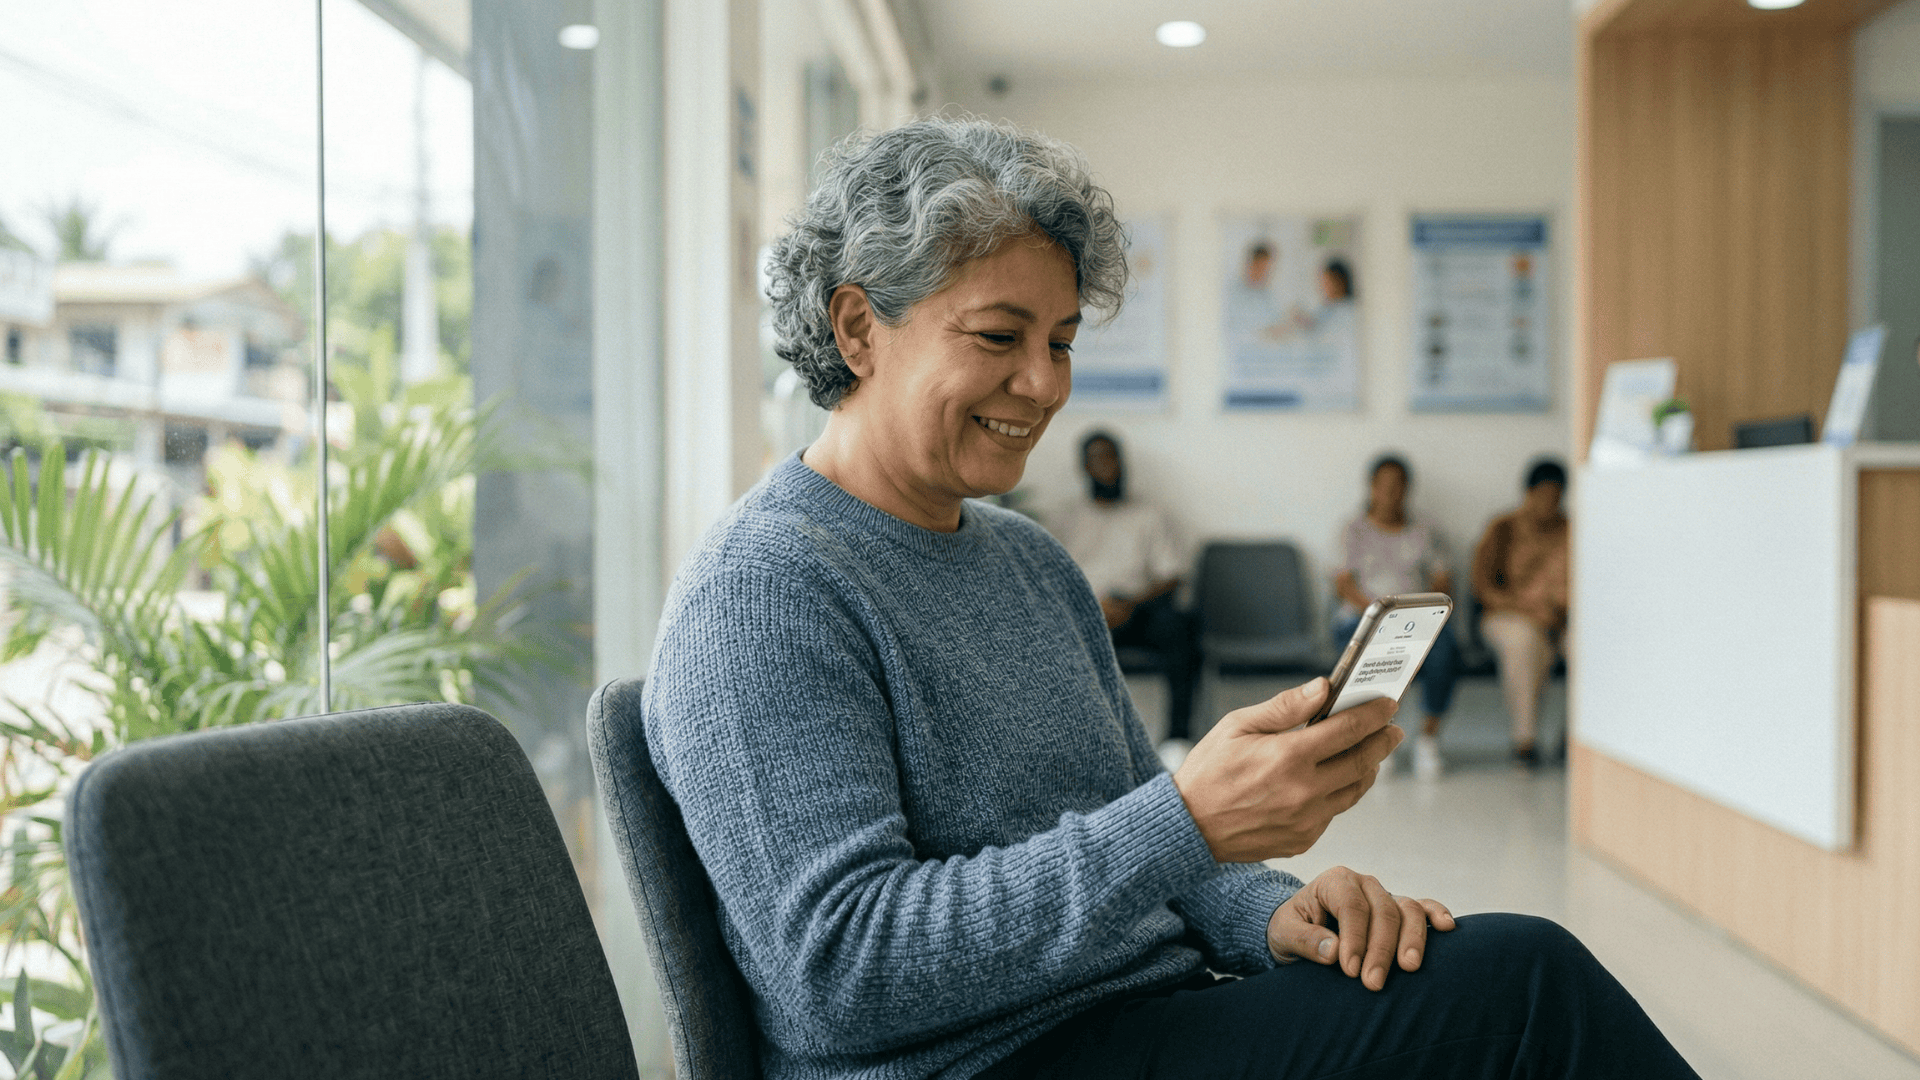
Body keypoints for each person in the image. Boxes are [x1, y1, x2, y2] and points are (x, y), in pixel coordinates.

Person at [637, 117, 1695, 1080]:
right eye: (1000, 339)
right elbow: (842, 972)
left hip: (1137, 1018)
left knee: (1476, 973)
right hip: (981, 1063)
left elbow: (1153, 857)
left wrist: (1282, 917)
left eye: (1060, 343)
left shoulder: (1031, 564)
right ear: (859, 328)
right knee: (1524, 988)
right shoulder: (764, 593)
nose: (1047, 386)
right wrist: (1187, 818)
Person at [1049, 430, 1198, 763]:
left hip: (1136, 609)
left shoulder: (1149, 515)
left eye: (1113, 456)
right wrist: (1093, 608)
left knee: (1182, 624)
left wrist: (1128, 604)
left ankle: (1177, 740)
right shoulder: (1065, 519)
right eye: (1098, 458)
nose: (1108, 466)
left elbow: (1171, 576)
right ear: (1083, 467)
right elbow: (1049, 578)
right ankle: (1071, 742)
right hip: (1085, 611)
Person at [1332, 454, 1460, 779]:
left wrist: (1422, 612)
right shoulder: (1353, 530)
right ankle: (1375, 738)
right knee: (1374, 651)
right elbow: (1343, 584)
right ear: (1372, 488)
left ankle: (1428, 740)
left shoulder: (1425, 530)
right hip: (1364, 617)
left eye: (1398, 486)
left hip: (1417, 617)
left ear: (1408, 489)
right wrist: (1378, 614)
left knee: (1445, 651)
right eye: (1384, 486)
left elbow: (1442, 579)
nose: (1391, 494)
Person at [1473, 458, 1572, 765]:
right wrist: (1529, 608)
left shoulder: (1573, 531)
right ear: (1528, 493)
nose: (1549, 503)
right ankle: (1525, 742)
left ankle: (1577, 739)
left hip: (1562, 619)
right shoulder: (1503, 528)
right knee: (1523, 642)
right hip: (1511, 616)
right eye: (1543, 495)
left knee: (1591, 647)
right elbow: (1484, 588)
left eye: (1555, 497)